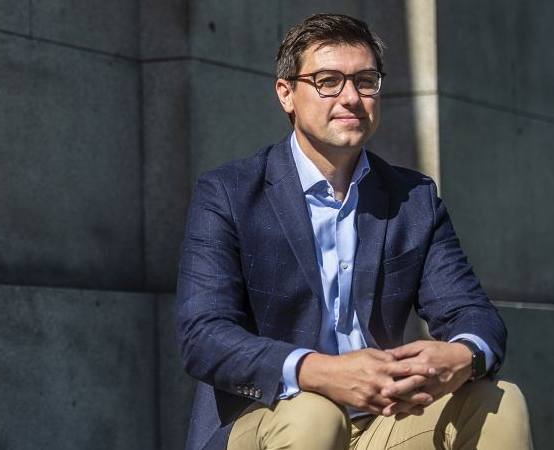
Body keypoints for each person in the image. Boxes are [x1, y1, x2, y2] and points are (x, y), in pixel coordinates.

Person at [176, 13, 532, 450]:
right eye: (328, 81)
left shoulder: (411, 198)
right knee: (314, 415)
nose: (351, 98)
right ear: (286, 94)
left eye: (365, 82)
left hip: (384, 418)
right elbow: (203, 336)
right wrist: (321, 372)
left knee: (499, 401)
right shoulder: (229, 193)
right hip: (270, 418)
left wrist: (464, 355)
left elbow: (472, 312)